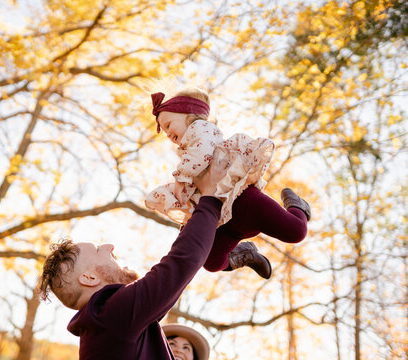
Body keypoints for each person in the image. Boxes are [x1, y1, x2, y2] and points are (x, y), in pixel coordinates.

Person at [37, 149, 270, 360]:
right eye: (99, 250)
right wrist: (210, 197)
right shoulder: (109, 314)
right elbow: (178, 267)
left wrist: (194, 219)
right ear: (88, 278)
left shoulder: (103, 328)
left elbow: (169, 284)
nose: (109, 247)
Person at [145, 88, 311, 275]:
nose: (167, 134)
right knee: (211, 262)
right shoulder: (186, 151)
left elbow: (201, 155)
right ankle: (245, 254)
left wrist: (180, 180)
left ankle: (298, 205)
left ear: (189, 115)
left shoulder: (201, 130)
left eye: (168, 125)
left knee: (296, 231)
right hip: (225, 218)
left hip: (244, 202)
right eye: (164, 132)